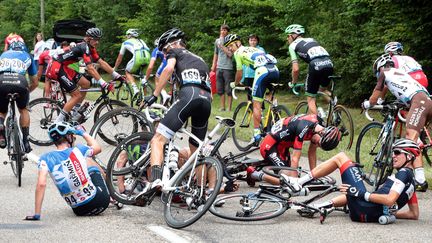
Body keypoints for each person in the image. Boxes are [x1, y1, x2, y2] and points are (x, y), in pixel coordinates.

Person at [141, 28, 212, 196]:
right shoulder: (199, 58)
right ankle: (200, 192)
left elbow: (168, 70)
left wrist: (155, 94)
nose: (165, 54)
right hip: (206, 100)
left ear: (172, 44)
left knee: (158, 139)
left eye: (165, 50)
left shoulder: (174, 51)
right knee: (197, 150)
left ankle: (155, 181)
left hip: (189, 95)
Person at [285, 138, 419, 223]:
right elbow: (414, 214)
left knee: (341, 157)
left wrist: (361, 194)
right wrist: (392, 213)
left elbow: (390, 200)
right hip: (366, 214)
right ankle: (321, 206)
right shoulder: (411, 182)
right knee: (351, 191)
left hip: (363, 209)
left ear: (409, 156)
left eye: (396, 152)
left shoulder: (402, 174)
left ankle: (298, 183)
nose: (392, 156)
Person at [362, 53, 432, 191]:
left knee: (409, 142)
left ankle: (419, 180)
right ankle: (415, 176)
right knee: (414, 141)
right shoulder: (399, 73)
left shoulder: (384, 72)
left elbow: (374, 99)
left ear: (380, 67)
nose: (377, 75)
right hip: (425, 101)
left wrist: (366, 104)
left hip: (419, 102)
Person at [25, 122, 110, 220]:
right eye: (73, 137)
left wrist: (37, 214)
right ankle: (113, 196)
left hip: (79, 211)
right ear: (68, 137)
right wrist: (82, 132)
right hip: (101, 201)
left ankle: (104, 193)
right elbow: (98, 148)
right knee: (89, 160)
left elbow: (41, 184)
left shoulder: (45, 158)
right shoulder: (78, 149)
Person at [46, 27, 125, 123]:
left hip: (65, 66)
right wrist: (104, 84)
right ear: (88, 38)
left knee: (86, 84)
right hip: (56, 67)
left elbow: (101, 62)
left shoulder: (90, 48)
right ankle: (57, 122)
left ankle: (75, 111)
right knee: (76, 95)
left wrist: (117, 75)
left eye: (98, 39)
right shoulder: (84, 47)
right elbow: (91, 68)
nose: (97, 42)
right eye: (95, 39)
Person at [247, 114, 341, 189]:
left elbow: (311, 152)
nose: (316, 144)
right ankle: (254, 174)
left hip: (283, 147)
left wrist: (314, 175)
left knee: (294, 172)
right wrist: (295, 182)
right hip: (270, 146)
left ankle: (270, 167)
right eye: (318, 143)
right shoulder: (303, 129)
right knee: (288, 181)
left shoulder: (320, 125)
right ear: (321, 134)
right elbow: (295, 158)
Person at [224, 33, 279, 143]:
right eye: (228, 47)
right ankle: (274, 118)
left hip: (263, 71)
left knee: (256, 103)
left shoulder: (238, 53)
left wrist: (235, 83)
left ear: (237, 43)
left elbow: (239, 72)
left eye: (230, 46)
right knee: (269, 98)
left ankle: (256, 134)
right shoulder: (252, 49)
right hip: (275, 70)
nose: (230, 49)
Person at [285, 24, 334, 116]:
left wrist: (293, 83)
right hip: (329, 63)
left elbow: (295, 69)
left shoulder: (292, 46)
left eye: (288, 36)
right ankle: (336, 110)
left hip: (315, 64)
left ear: (294, 35)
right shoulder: (311, 39)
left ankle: (317, 124)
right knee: (323, 90)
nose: (287, 39)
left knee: (311, 97)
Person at [0, 40, 38, 153]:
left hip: (2, 81)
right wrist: (27, 92)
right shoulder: (27, 55)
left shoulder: (3, 54)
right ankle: (26, 141)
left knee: (1, 111)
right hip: (20, 82)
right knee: (23, 110)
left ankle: (1, 124)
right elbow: (35, 82)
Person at [113, 29, 151, 96]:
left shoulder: (125, 43)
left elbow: (119, 59)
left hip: (138, 56)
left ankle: (135, 88)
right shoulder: (141, 41)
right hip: (148, 57)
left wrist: (115, 68)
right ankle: (144, 100)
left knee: (128, 71)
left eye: (127, 35)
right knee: (143, 80)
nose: (126, 36)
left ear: (130, 35)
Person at [211, 24, 234, 111]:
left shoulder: (231, 41)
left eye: (225, 30)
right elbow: (215, 54)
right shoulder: (217, 41)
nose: (223, 32)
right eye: (221, 30)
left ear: (228, 32)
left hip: (228, 67)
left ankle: (229, 108)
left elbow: (230, 54)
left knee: (228, 89)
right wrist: (214, 65)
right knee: (220, 89)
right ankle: (222, 107)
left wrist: (222, 45)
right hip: (219, 67)